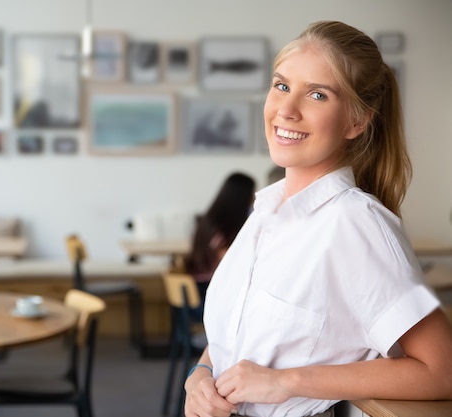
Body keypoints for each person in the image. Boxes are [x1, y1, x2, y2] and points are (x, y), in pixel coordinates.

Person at [184, 20, 452, 417]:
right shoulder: (265, 211)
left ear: (357, 122)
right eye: (281, 86)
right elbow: (243, 333)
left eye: (317, 94)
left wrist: (287, 381)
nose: (287, 110)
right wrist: (201, 373)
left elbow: (441, 371)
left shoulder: (356, 224)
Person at [184, 172, 256, 315]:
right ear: (242, 197)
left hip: (198, 288)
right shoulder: (223, 230)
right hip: (208, 294)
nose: (254, 199)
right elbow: (233, 264)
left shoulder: (208, 221)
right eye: (252, 194)